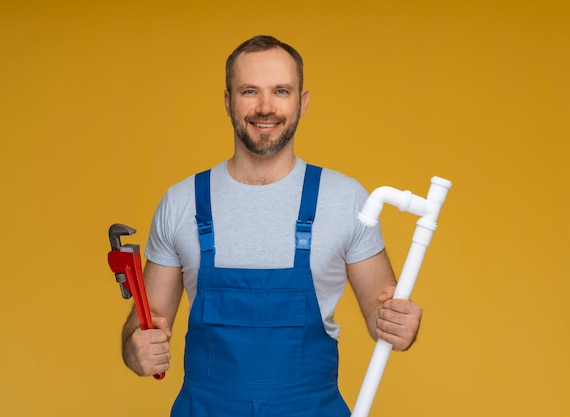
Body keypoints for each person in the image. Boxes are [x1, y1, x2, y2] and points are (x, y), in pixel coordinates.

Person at [121, 35, 423, 416]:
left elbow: (381, 312)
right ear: (228, 101)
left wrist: (398, 323)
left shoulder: (347, 199)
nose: (266, 108)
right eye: (250, 91)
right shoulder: (181, 203)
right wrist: (136, 347)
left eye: (281, 91)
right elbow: (146, 324)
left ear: (302, 101)